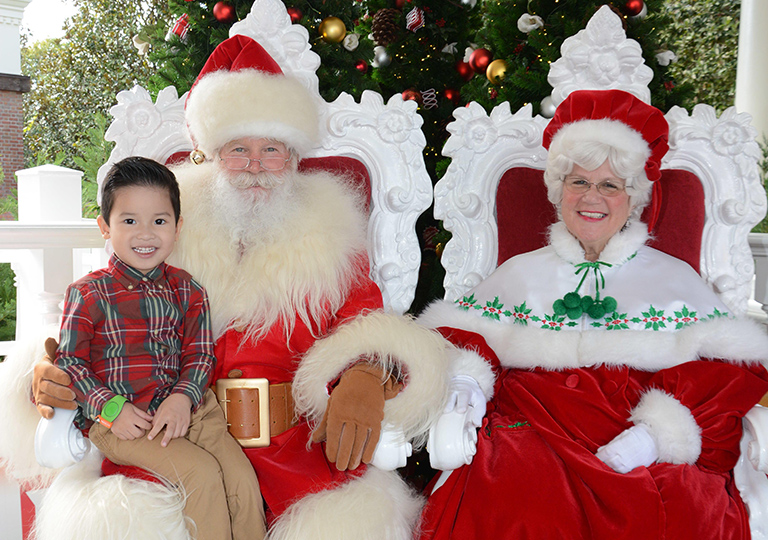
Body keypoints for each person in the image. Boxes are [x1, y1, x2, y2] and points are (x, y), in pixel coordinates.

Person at [28, 34, 446, 540]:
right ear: (209, 155)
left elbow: (368, 325)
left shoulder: (331, 235)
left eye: (271, 149)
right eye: (238, 150)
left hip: (297, 453)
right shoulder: (163, 227)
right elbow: (105, 312)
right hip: (173, 438)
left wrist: (365, 375)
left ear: (292, 158)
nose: (255, 166)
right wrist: (55, 367)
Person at [417, 89, 768, 539]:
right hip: (533, 426)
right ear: (559, 190)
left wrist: (655, 434)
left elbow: (730, 372)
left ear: (632, 197)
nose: (592, 197)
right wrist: (466, 377)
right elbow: (457, 339)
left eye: (609, 185)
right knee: (514, 492)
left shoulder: (673, 278)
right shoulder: (519, 273)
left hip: (634, 430)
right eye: (579, 182)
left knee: (674, 503)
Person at [54, 156, 266, 540]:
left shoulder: (189, 290)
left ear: (177, 227)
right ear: (105, 226)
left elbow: (200, 355)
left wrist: (184, 398)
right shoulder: (88, 293)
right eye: (130, 221)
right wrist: (110, 407)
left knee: (242, 482)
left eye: (160, 221)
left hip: (194, 412)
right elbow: (70, 363)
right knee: (200, 475)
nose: (146, 234)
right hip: (127, 421)